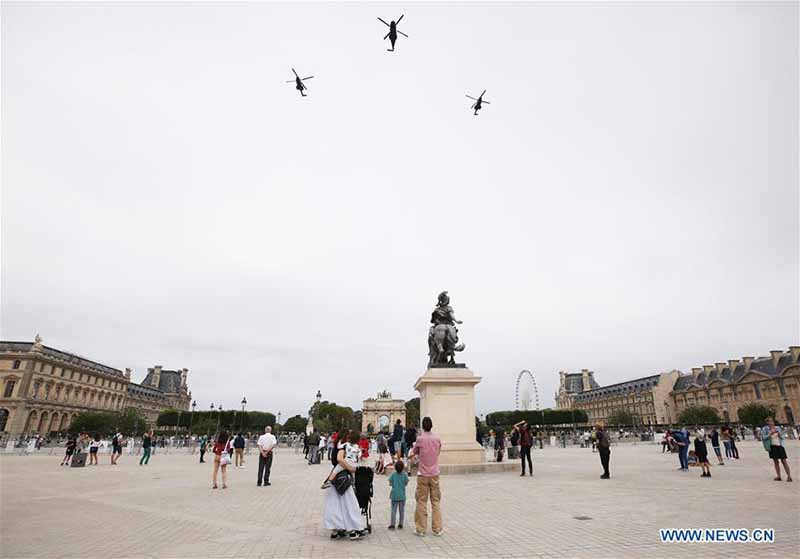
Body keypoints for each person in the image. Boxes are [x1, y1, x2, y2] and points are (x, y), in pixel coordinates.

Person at [322, 429, 365, 540]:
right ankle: (352, 528)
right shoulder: (346, 447)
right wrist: (351, 468)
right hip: (344, 477)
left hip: (336, 477)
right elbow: (340, 460)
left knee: (334, 504)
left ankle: (337, 528)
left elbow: (336, 461)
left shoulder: (339, 445)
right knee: (350, 504)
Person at [411, 416, 442, 537]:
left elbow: (415, 452)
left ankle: (421, 529)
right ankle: (437, 528)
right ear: (432, 425)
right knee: (436, 501)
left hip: (422, 474)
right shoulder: (437, 439)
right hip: (434, 473)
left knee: (421, 501)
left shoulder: (420, 439)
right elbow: (438, 452)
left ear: (422, 426)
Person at [762, 417, 792, 482]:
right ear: (767, 423)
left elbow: (782, 437)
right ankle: (779, 476)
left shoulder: (777, 428)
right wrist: (770, 433)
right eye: (769, 422)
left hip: (779, 446)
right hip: (772, 447)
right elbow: (763, 437)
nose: (771, 423)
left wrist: (779, 434)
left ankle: (789, 476)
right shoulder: (765, 429)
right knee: (776, 462)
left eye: (771, 421)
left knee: (784, 461)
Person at [387, 460, 409, 530]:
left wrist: (393, 484)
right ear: (403, 468)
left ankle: (392, 524)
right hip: (402, 496)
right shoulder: (404, 475)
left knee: (393, 511)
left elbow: (390, 482)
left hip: (394, 496)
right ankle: (400, 524)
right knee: (401, 511)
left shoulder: (393, 474)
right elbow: (406, 483)